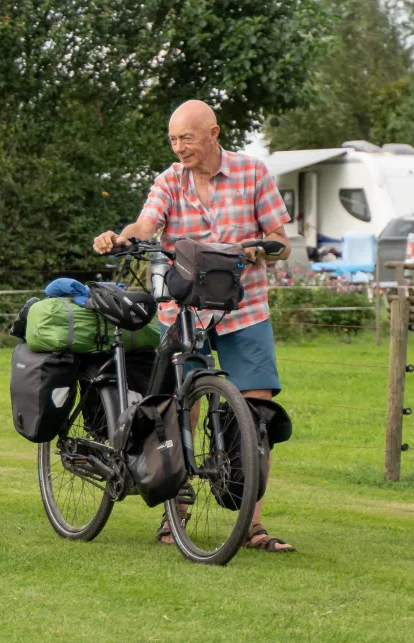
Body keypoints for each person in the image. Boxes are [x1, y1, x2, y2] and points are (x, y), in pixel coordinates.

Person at [92, 100, 296, 552]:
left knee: (255, 414)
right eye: (172, 139)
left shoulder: (252, 173)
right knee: (180, 406)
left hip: (244, 309)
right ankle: (174, 517)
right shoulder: (168, 181)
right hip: (183, 311)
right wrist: (122, 237)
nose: (178, 147)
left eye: (186, 138)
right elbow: (147, 223)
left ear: (213, 133)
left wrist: (260, 249)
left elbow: (283, 242)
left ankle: (252, 525)